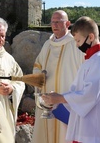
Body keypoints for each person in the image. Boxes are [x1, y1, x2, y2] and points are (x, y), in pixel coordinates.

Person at [42, 16, 100, 143]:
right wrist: (58, 100)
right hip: (87, 129)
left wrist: (59, 98)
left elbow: (90, 94)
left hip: (96, 131)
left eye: (78, 41)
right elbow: (77, 91)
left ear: (91, 37)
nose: (77, 45)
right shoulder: (91, 60)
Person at [32, 10, 84, 143]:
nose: (54, 25)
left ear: (67, 24)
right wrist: (39, 76)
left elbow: (86, 67)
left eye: (58, 22)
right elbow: (38, 64)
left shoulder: (75, 44)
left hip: (65, 102)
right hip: (47, 101)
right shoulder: (47, 45)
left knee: (64, 134)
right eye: (52, 22)